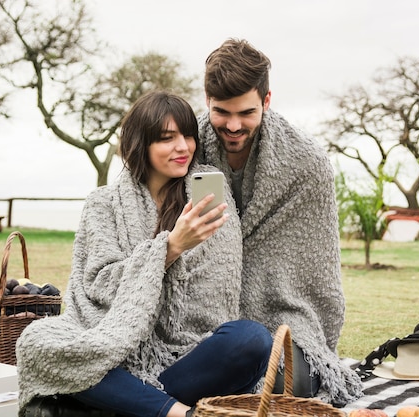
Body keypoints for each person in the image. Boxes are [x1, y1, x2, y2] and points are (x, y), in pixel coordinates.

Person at [16, 91, 273, 417]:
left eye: (188, 135)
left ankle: (109, 407)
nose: (183, 147)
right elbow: (97, 285)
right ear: (141, 144)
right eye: (167, 138)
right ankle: (176, 412)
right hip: (112, 346)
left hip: (185, 356)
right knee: (36, 340)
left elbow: (215, 301)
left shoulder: (211, 200)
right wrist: (171, 247)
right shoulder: (103, 204)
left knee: (250, 338)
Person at [197, 38, 363, 406]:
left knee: (289, 386)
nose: (234, 125)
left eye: (247, 112)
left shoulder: (307, 164)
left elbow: (318, 274)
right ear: (206, 99)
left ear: (267, 101)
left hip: (283, 314)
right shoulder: (183, 146)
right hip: (199, 313)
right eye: (222, 112)